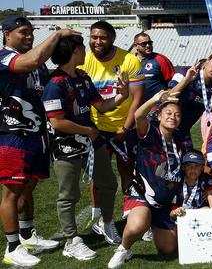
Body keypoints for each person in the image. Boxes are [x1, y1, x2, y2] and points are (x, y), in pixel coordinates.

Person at [43, 35, 129, 261]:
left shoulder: (82, 77)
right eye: (82, 47)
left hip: (91, 140)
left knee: (108, 184)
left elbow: (101, 106)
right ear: (73, 51)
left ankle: (107, 223)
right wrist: (87, 131)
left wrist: (121, 96)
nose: (86, 51)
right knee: (68, 194)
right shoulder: (55, 83)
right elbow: (57, 122)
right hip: (66, 145)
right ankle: (72, 240)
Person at [0, 16, 78, 266]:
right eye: (23, 32)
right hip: (13, 134)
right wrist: (57, 34)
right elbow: (30, 60)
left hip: (36, 134)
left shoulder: (39, 65)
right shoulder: (5, 56)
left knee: (28, 186)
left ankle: (26, 234)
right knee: (11, 191)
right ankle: (12, 247)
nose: (29, 36)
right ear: (7, 34)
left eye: (31, 32)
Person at [79, 20, 144, 242]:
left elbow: (137, 98)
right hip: (96, 127)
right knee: (97, 175)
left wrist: (125, 127)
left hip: (124, 126)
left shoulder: (129, 59)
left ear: (112, 38)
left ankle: (129, 214)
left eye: (102, 37)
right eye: (93, 36)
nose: (97, 41)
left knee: (127, 171)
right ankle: (98, 217)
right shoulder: (84, 60)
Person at [108, 90, 186, 269]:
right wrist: (154, 99)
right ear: (158, 116)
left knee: (168, 249)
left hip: (164, 203)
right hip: (142, 194)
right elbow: (138, 116)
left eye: (177, 115)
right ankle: (123, 249)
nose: (173, 117)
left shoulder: (180, 145)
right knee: (137, 226)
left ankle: (153, 222)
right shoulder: (150, 134)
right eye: (168, 113)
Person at [168, 50, 212, 149]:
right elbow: (168, 97)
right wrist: (187, 79)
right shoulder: (185, 72)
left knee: (190, 163)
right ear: (208, 60)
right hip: (165, 125)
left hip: (183, 132)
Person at [133, 32, 175, 101]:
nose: (148, 45)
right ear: (135, 46)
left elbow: (172, 83)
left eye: (150, 43)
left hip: (157, 105)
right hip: (137, 106)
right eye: (144, 44)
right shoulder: (130, 61)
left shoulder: (161, 59)